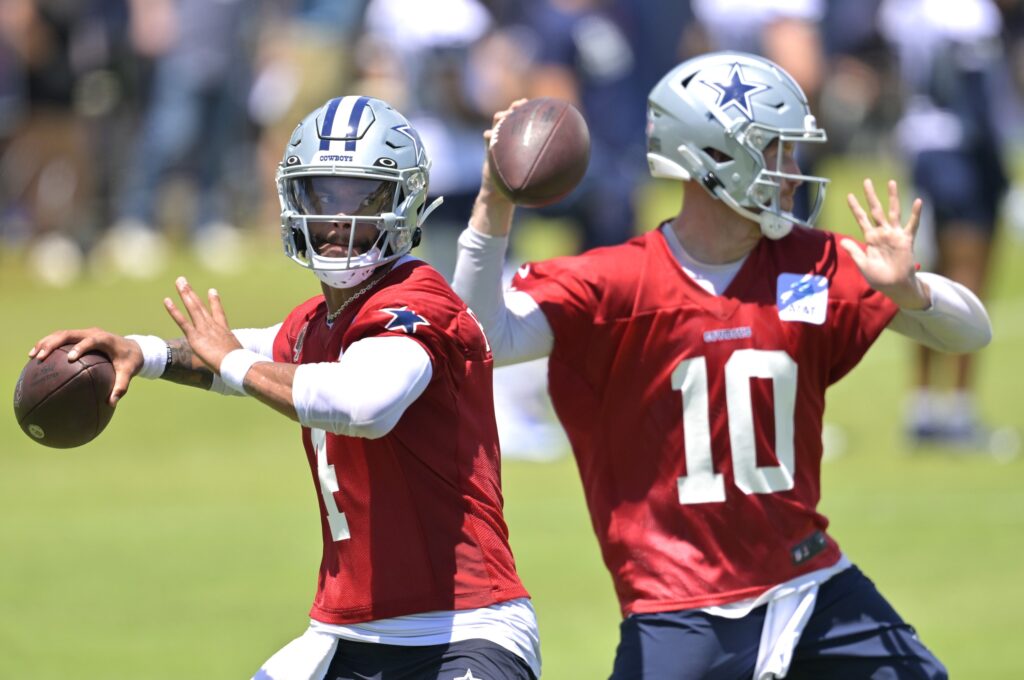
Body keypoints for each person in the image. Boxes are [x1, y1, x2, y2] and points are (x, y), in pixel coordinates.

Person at [453, 51, 992, 679]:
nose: (794, 172)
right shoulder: (619, 282)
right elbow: (480, 335)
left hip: (809, 583)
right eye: (776, 151)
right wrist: (494, 203)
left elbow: (970, 332)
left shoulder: (811, 264)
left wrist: (910, 292)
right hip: (681, 606)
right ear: (714, 157)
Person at [30, 96, 541, 680]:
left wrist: (231, 362)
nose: (335, 221)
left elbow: (364, 403)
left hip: (464, 630)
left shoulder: (416, 305)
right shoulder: (316, 324)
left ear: (403, 200)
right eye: (320, 195)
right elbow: (243, 352)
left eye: (360, 196)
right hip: (345, 632)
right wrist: (139, 352)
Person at [878, 0, 1014, 446]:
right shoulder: (968, 13)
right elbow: (969, 89)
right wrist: (998, 166)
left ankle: (921, 406)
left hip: (920, 146)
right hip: (964, 150)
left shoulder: (905, 12)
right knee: (967, 273)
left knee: (922, 275)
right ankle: (957, 410)